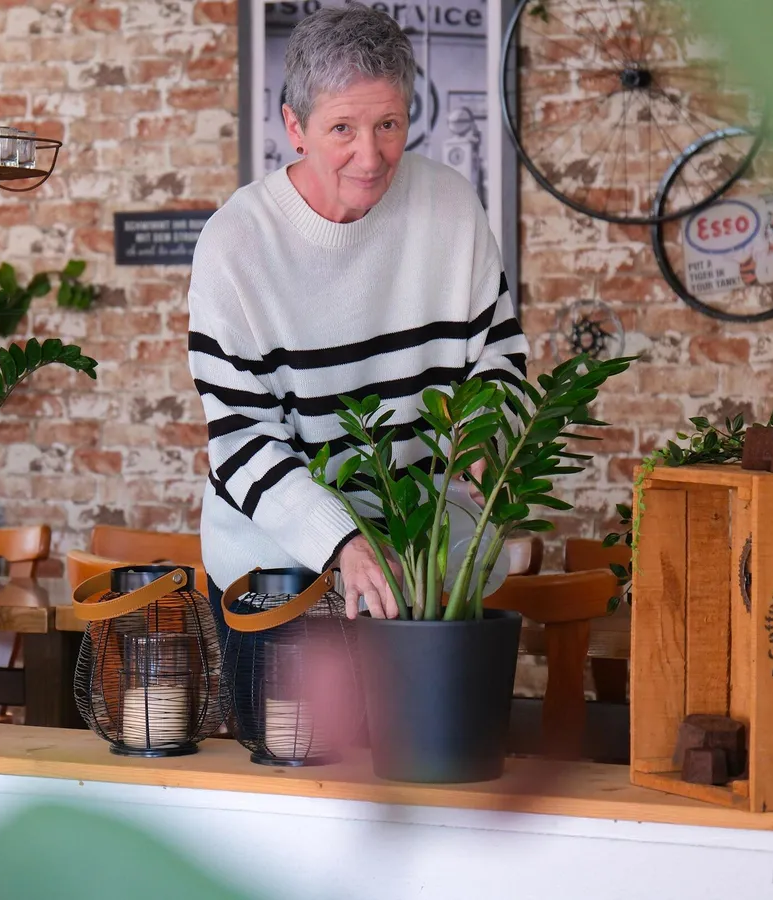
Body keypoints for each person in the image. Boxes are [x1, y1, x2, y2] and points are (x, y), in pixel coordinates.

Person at [187, 6, 527, 619]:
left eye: (389, 125)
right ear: (295, 126)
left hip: (429, 556)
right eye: (342, 128)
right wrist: (340, 540)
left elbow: (497, 353)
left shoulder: (451, 206)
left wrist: (486, 432)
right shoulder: (235, 244)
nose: (370, 158)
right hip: (279, 564)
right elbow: (241, 438)